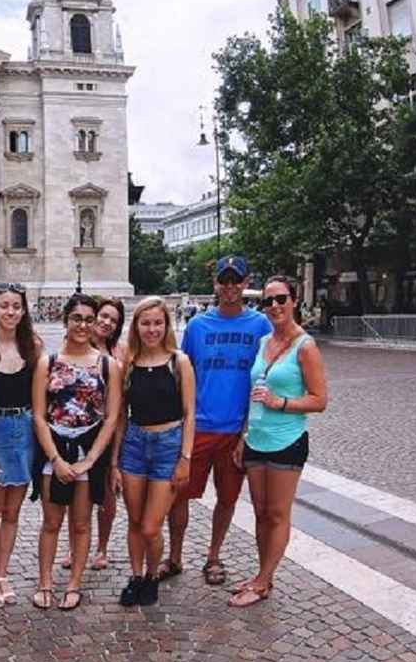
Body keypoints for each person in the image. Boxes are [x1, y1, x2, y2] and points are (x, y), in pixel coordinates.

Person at [165, 256, 267, 589]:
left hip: (236, 429)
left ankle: (213, 555)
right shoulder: (197, 327)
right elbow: (183, 376)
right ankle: (175, 556)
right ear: (215, 284)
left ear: (245, 282)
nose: (229, 287)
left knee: (227, 498)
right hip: (198, 427)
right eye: (224, 280)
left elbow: (265, 380)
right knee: (179, 494)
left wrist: (248, 431)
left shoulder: (260, 327)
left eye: (236, 280)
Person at [230, 275, 329, 607]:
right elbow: (252, 393)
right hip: (256, 439)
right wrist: (244, 435)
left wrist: (281, 403)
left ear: (294, 300)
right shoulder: (263, 343)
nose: (274, 306)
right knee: (259, 513)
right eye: (267, 301)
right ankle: (263, 574)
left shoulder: (306, 346)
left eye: (280, 299)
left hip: (287, 440)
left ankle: (262, 581)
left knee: (277, 513)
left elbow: (319, 400)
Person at [30, 295, 121, 610]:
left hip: (88, 450)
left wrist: (91, 459)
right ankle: (44, 582)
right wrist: (55, 459)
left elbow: (111, 417)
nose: (82, 325)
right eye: (76, 318)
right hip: (54, 448)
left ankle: (73, 583)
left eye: (88, 319)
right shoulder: (49, 362)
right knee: (51, 521)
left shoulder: (108, 365)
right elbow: (39, 415)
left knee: (81, 523)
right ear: (65, 320)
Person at [115, 298, 195, 608]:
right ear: (136, 326)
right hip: (135, 444)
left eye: (157, 323)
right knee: (135, 521)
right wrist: (115, 460)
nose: (152, 329)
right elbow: (122, 415)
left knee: (151, 525)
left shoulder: (179, 362)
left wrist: (185, 458)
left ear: (166, 325)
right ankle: (137, 577)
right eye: (145, 323)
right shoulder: (129, 364)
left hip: (168, 445)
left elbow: (190, 413)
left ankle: (152, 574)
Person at [0, 283, 43, 608]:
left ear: (24, 311)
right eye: (4, 305)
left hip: (25, 429)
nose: (10, 312)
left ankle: (3, 573)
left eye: (16, 306)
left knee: (12, 513)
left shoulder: (34, 348)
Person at [65, 297, 125, 572]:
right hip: (79, 431)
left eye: (113, 320)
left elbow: (121, 408)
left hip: (110, 430)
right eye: (103, 315)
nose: (106, 322)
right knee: (77, 492)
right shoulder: (76, 347)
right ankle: (75, 546)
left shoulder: (119, 355)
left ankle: (101, 547)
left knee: (106, 494)